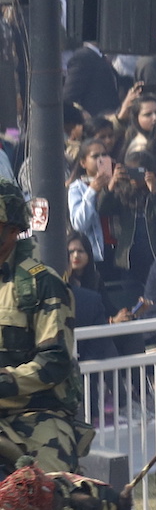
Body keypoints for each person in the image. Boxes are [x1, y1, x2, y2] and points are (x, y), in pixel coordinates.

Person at [0, 181, 93, 468]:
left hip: (35, 416)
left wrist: (5, 382)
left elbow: (54, 361)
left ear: (13, 231)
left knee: (52, 497)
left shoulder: (41, 283)